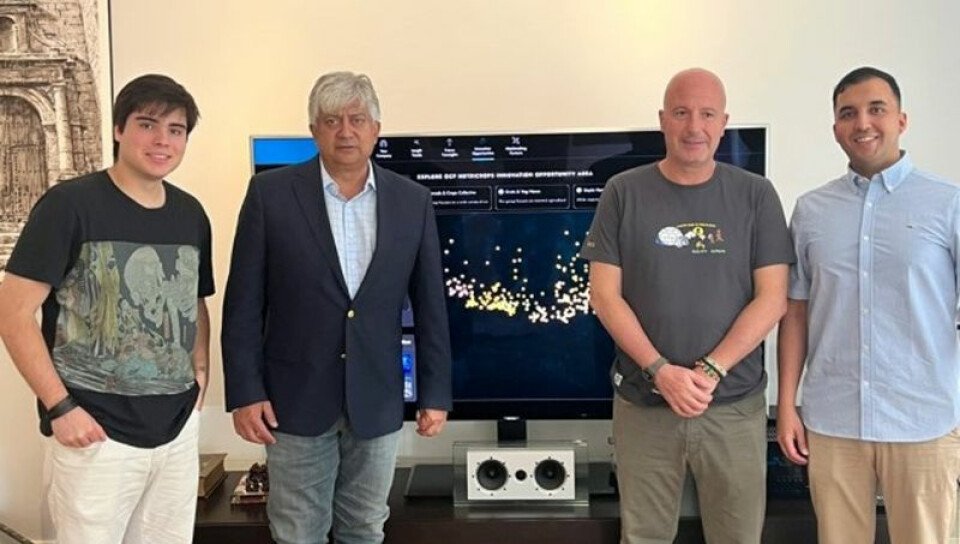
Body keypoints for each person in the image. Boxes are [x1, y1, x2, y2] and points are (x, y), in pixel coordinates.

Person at [221, 71, 451, 544]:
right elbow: (242, 303)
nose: (345, 131)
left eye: (356, 119)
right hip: (293, 400)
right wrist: (245, 392)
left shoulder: (412, 201)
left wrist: (435, 393)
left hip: (377, 397)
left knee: (364, 528)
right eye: (331, 121)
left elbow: (431, 306)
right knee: (298, 532)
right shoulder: (270, 194)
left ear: (376, 129)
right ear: (314, 131)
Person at [581, 68, 793, 544]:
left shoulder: (756, 194)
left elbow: (773, 298)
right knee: (644, 537)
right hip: (644, 405)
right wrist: (661, 371)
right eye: (681, 113)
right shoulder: (622, 191)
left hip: (733, 406)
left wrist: (710, 371)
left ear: (724, 123)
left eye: (707, 114)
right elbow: (604, 295)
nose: (694, 127)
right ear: (663, 120)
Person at [0, 74, 211, 543]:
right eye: (147, 124)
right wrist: (61, 408)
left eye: (176, 130)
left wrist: (200, 374)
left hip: (176, 433)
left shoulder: (190, 214)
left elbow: (193, 299)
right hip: (96, 435)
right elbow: (12, 312)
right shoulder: (68, 205)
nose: (162, 140)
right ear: (119, 129)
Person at [777, 66, 960, 544]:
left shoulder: (948, 204)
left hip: (924, 421)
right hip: (833, 420)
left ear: (901, 119)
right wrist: (787, 405)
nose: (862, 123)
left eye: (876, 109)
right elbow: (795, 312)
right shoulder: (811, 211)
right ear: (835, 128)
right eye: (848, 113)